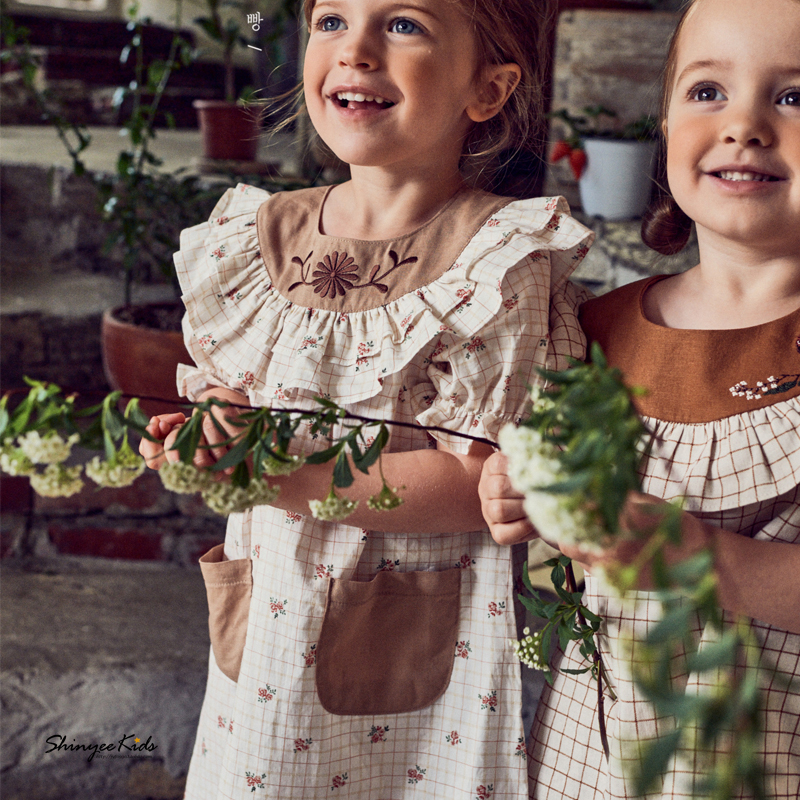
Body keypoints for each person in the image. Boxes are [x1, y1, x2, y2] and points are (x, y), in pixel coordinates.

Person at [140, 1, 594, 797]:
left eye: (404, 24)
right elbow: (234, 381)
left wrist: (282, 478)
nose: (354, 49)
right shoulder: (261, 235)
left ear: (487, 89)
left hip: (414, 655)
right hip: (270, 634)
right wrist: (215, 426)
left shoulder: (495, 261)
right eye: (331, 20)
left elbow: (476, 483)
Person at [479, 0, 800, 796]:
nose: (746, 125)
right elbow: (560, 560)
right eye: (707, 92)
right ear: (663, 120)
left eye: (795, 97)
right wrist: (518, 495)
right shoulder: (596, 329)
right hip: (596, 761)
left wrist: (700, 555)